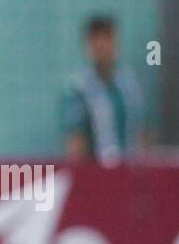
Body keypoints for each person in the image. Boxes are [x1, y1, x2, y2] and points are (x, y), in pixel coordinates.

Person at [61, 15, 147, 167]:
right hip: (97, 177)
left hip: (130, 173)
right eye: (95, 41)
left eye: (107, 39)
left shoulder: (129, 84)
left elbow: (141, 133)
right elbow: (75, 143)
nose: (102, 47)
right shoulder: (78, 89)